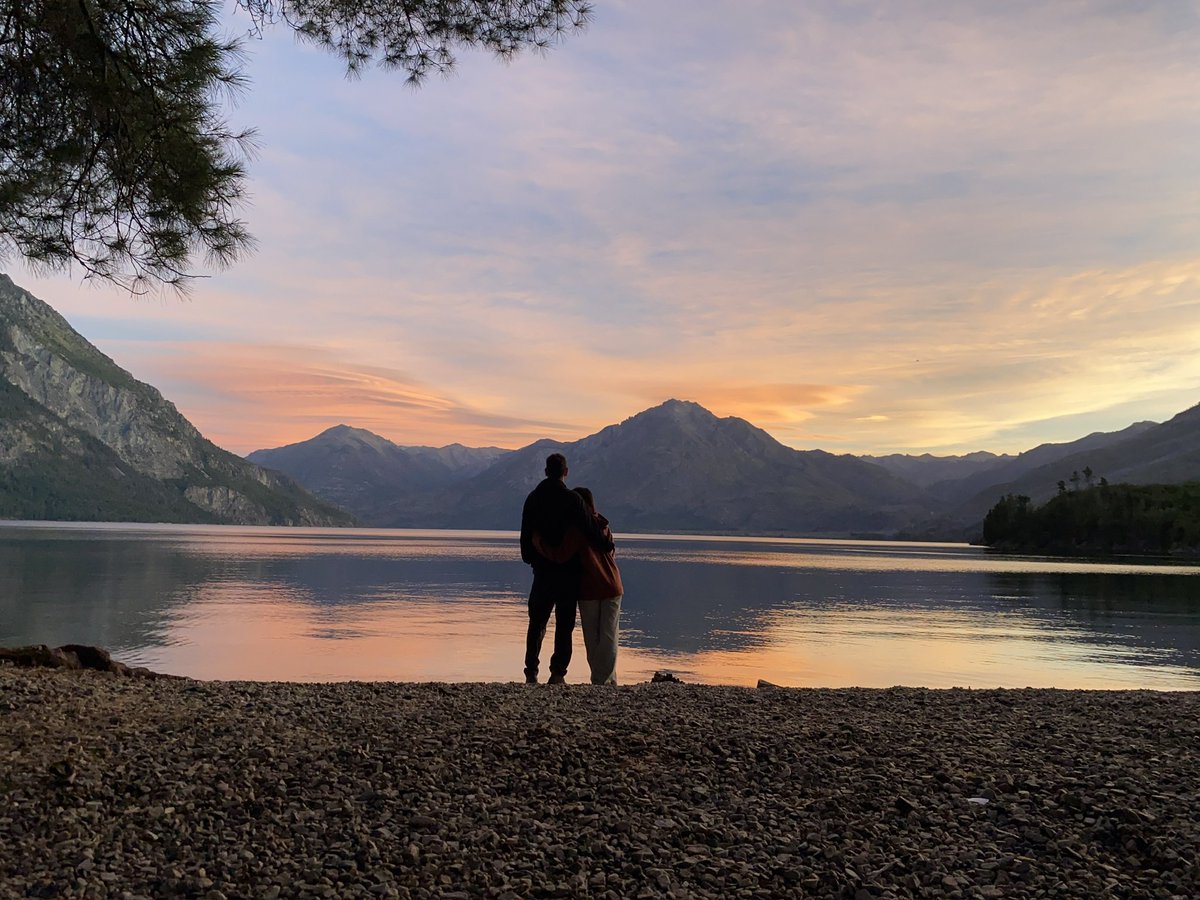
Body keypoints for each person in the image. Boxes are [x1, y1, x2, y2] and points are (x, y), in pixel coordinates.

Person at [519, 453, 612, 684]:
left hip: (542, 572)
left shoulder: (532, 499)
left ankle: (531, 671)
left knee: (537, 621)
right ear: (565, 472)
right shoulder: (573, 500)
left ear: (545, 471)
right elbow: (590, 530)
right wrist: (607, 545)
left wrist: (531, 559)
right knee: (564, 624)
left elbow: (526, 536)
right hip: (568, 574)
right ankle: (557, 673)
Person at [533, 486, 623, 685]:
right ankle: (606, 679)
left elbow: (559, 555)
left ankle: (601, 680)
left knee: (594, 639)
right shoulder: (603, 525)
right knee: (609, 637)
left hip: (590, 588)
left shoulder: (577, 531)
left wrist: (538, 542)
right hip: (612, 585)